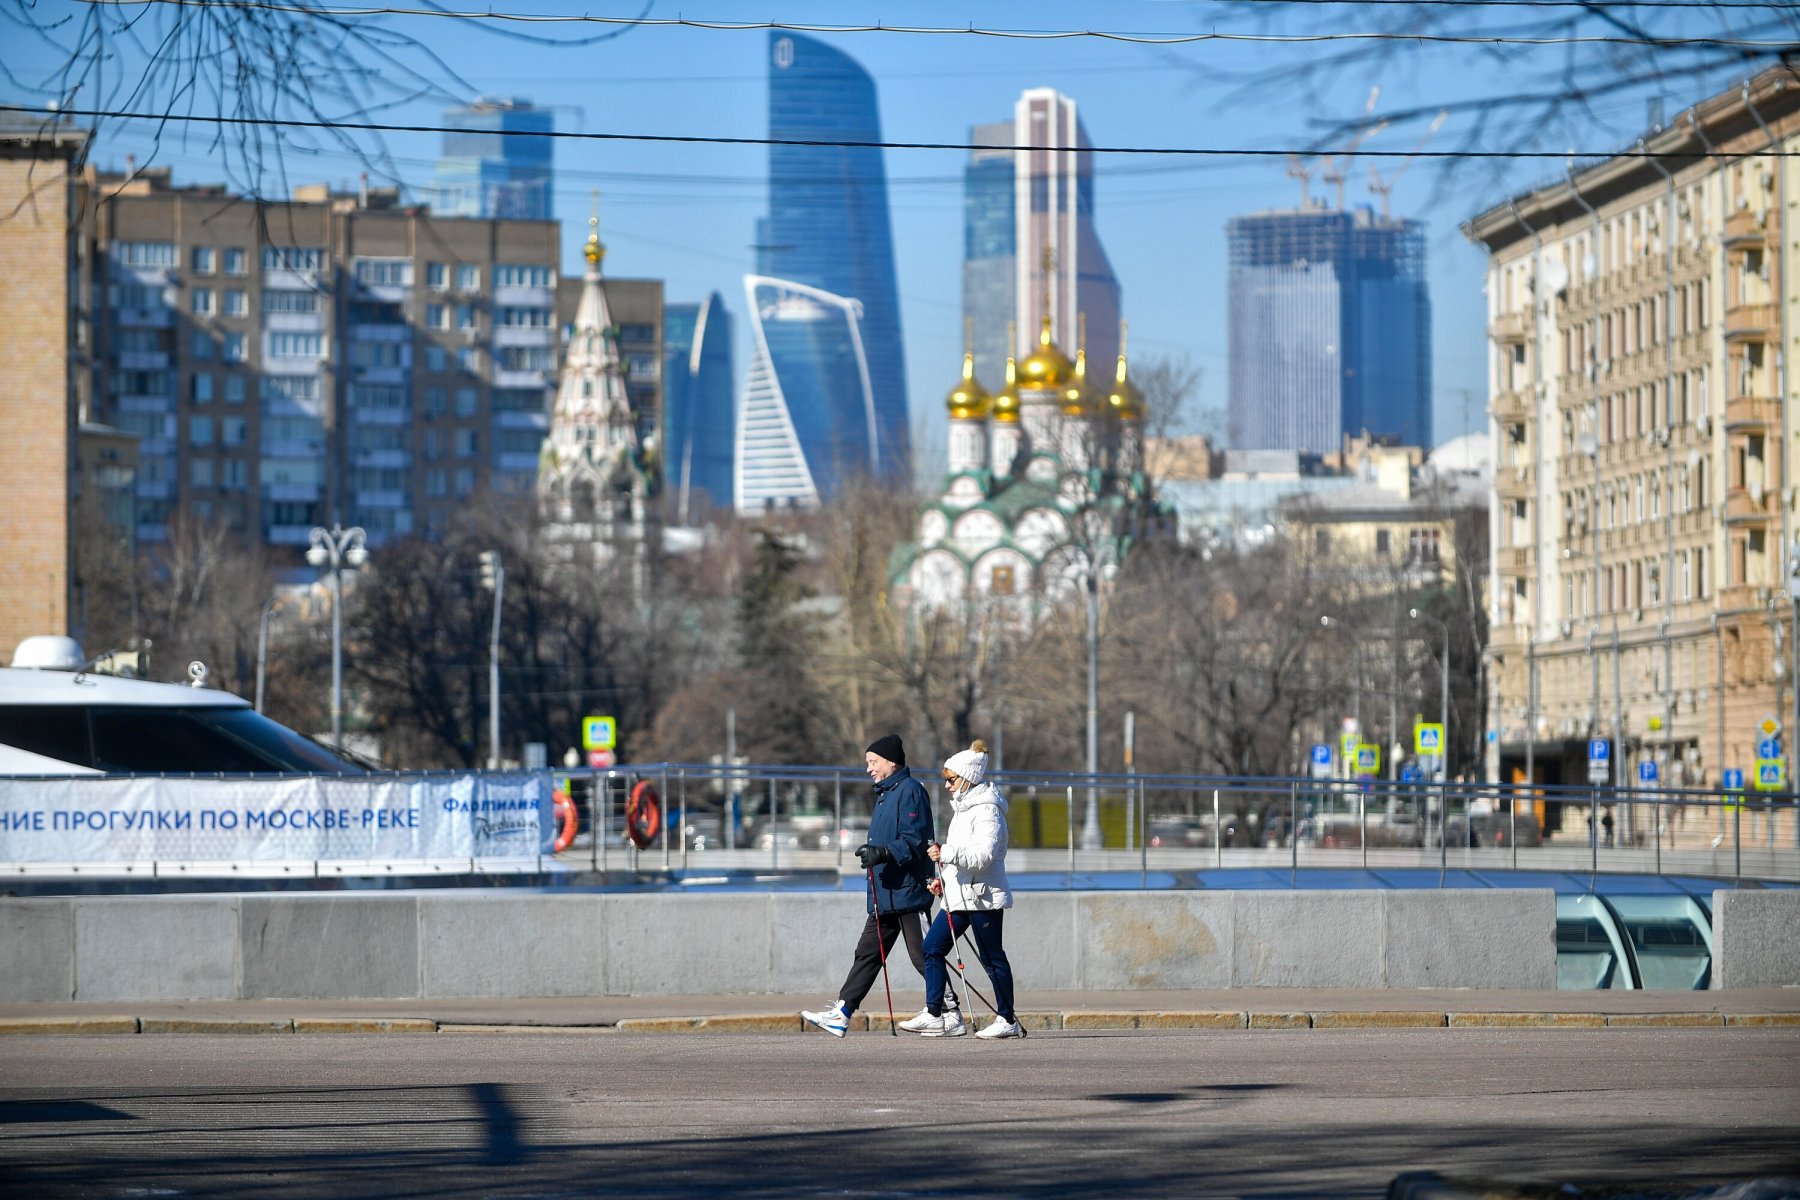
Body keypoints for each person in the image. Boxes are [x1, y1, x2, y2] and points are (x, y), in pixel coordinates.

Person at [801, 734, 956, 1037]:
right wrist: (876, 853)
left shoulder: (910, 791)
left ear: (891, 761)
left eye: (873, 762)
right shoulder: (887, 793)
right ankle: (843, 1013)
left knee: (923, 953)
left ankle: (950, 1012)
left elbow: (915, 841)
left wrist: (883, 853)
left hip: (908, 890)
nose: (869, 769)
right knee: (867, 953)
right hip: (885, 892)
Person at [911, 738, 1025, 1040]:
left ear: (968, 777)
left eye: (951, 779)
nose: (947, 785)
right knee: (932, 948)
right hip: (958, 896)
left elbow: (984, 856)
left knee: (991, 957)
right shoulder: (963, 808)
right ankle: (936, 1013)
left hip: (984, 897)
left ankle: (1006, 1018)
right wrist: (943, 879)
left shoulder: (988, 810)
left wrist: (945, 853)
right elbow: (963, 857)